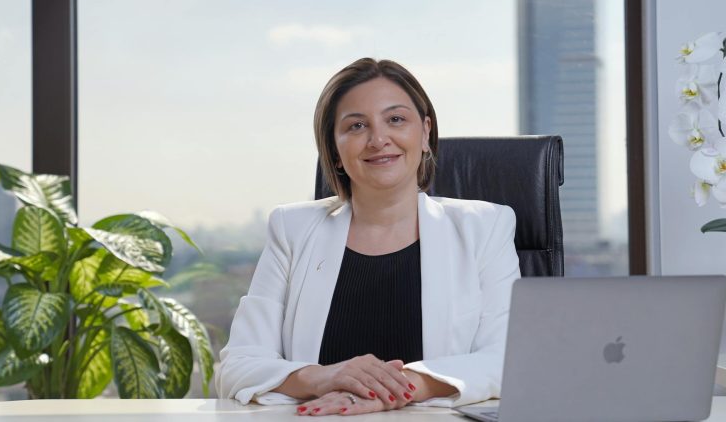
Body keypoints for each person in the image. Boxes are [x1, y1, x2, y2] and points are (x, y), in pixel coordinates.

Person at [215, 58, 520, 416]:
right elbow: (239, 365)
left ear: (424, 133)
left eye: (396, 120)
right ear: (335, 151)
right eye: (357, 125)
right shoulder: (292, 229)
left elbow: (507, 358)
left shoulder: (485, 227)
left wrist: (399, 387)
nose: (378, 139)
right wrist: (325, 377)